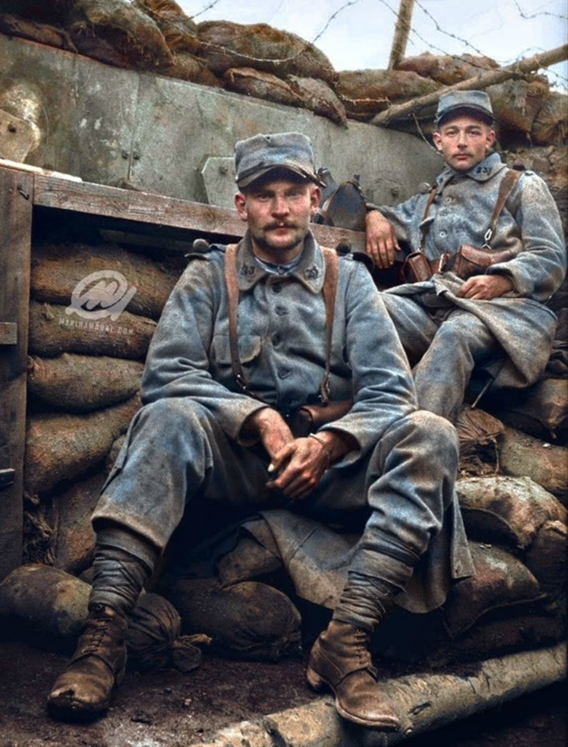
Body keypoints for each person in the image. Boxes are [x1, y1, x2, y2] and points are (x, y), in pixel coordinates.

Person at [47, 132, 472, 731]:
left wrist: (330, 443)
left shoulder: (347, 282)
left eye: (292, 193)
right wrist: (256, 417)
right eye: (263, 195)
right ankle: (104, 636)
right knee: (166, 418)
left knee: (430, 434)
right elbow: (169, 376)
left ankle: (345, 643)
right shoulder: (206, 276)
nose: (279, 208)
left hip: (327, 472)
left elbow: (391, 394)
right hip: (235, 464)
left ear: (315, 199)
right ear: (240, 204)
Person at [365, 90, 566, 423]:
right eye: (452, 133)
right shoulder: (427, 200)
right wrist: (373, 217)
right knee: (368, 310)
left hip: (505, 316)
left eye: (472, 132)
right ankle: (348, 413)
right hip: (435, 305)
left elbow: (551, 257)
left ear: (489, 139)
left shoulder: (520, 185)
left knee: (456, 334)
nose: (461, 141)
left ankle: (416, 442)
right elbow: (386, 214)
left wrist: (502, 280)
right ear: (437, 141)